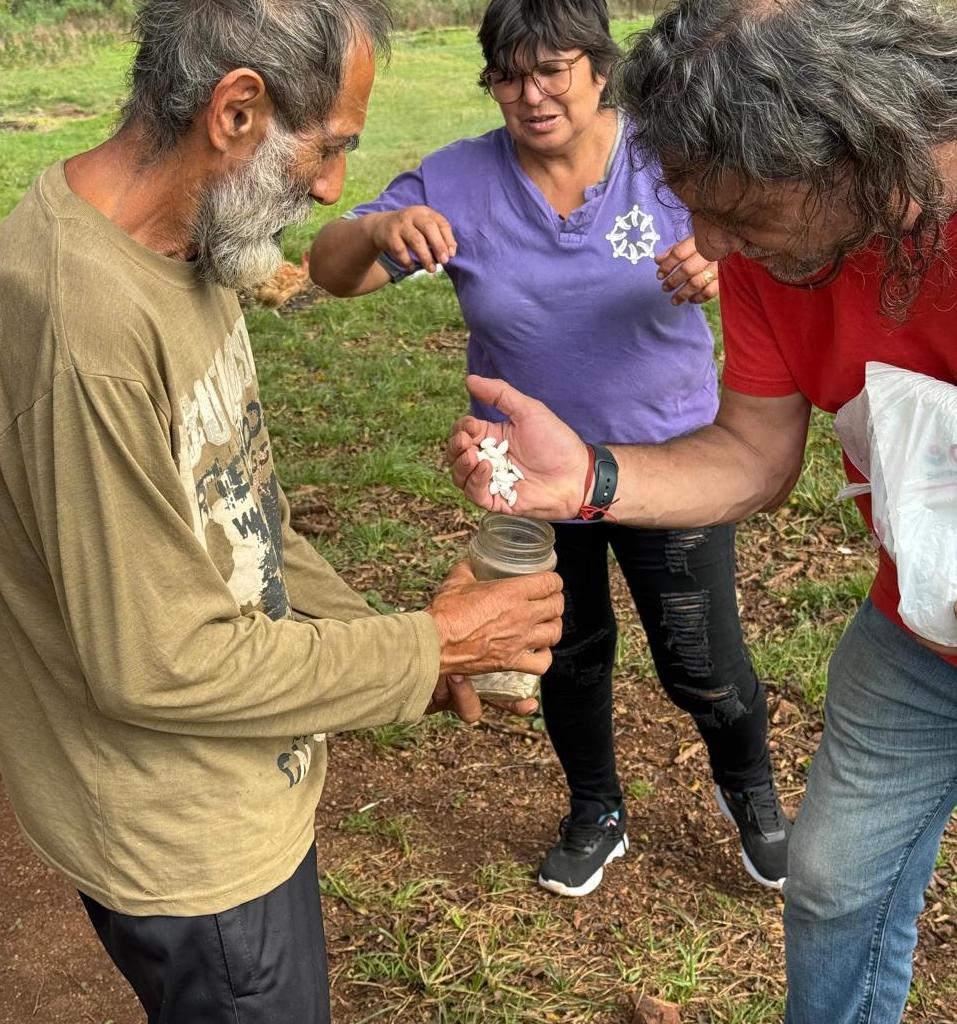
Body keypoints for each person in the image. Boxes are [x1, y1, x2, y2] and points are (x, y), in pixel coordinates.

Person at [0, 2, 566, 1021]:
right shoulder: (82, 328)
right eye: (333, 146)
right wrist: (429, 649)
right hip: (189, 844)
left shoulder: (193, 243)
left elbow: (243, 506)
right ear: (236, 110)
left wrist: (388, 644)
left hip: (240, 781)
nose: (334, 185)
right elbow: (156, 660)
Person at [446, 0, 957, 1020]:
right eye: (693, 208)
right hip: (919, 638)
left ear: (846, 154)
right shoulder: (781, 253)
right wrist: (587, 477)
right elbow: (751, 455)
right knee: (833, 881)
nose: (707, 245)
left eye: (736, 214)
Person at [310, 0, 790, 900]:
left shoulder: (667, 156)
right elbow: (333, 271)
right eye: (509, 75)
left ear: (599, 69)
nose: (531, 95)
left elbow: (771, 236)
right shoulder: (455, 179)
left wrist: (726, 259)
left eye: (552, 70)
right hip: (529, 479)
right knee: (565, 651)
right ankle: (595, 809)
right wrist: (375, 230)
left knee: (702, 659)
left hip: (670, 464)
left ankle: (752, 798)